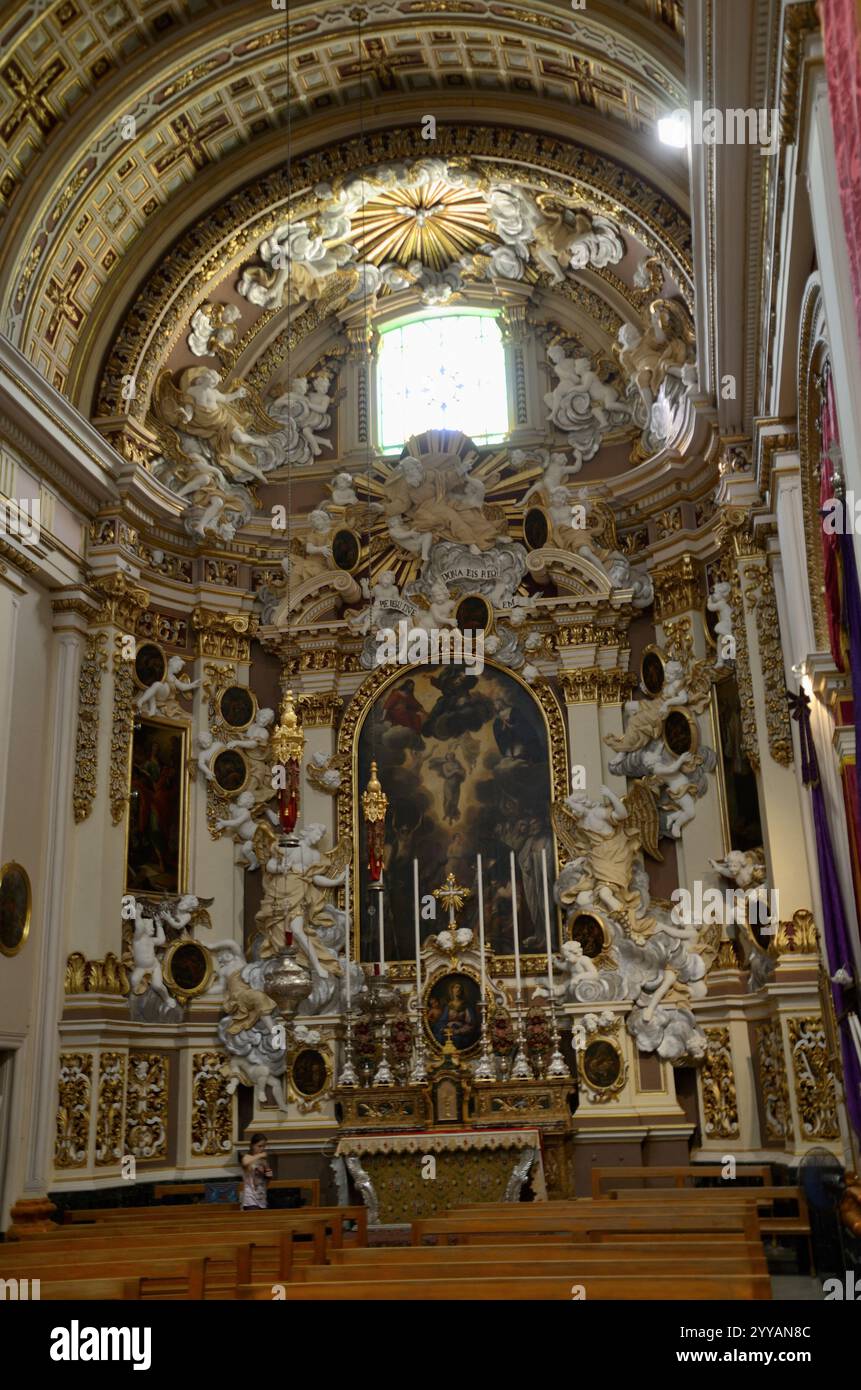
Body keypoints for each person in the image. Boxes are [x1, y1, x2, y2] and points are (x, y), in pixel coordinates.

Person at [241, 1133, 272, 1210]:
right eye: (259, 1146)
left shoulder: (263, 1161)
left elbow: (269, 1177)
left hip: (262, 1198)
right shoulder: (247, 1157)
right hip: (250, 1200)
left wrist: (267, 1169)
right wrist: (260, 1156)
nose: (261, 1149)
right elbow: (245, 1162)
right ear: (252, 1145)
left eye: (263, 1146)